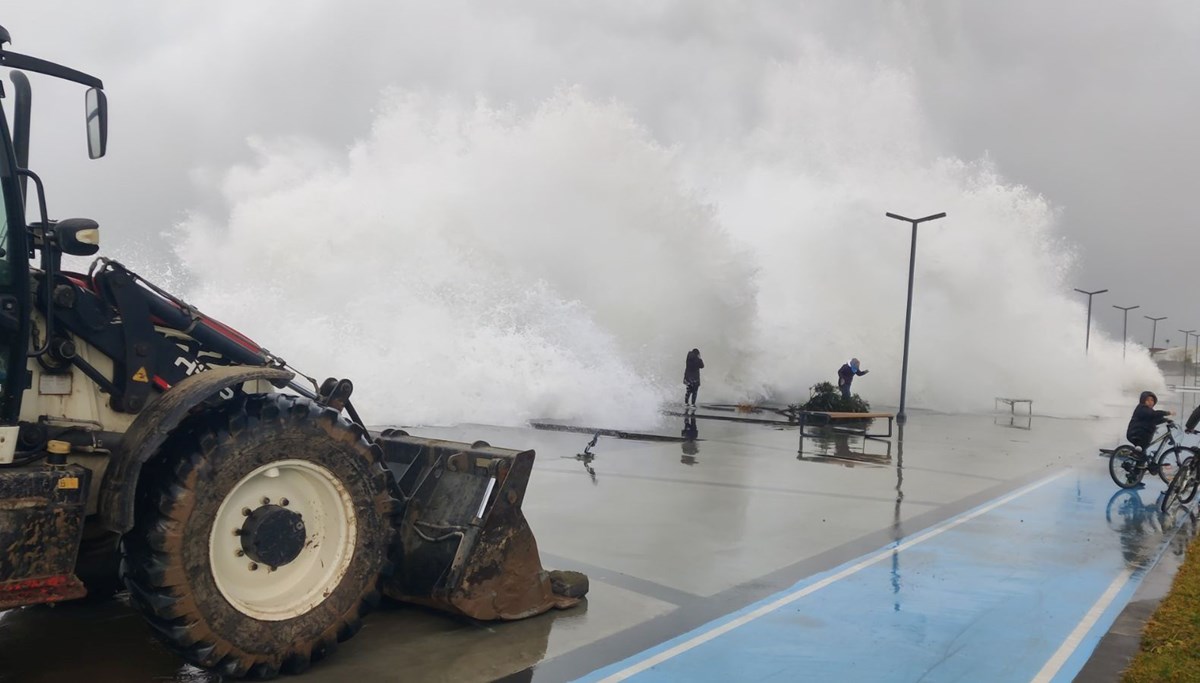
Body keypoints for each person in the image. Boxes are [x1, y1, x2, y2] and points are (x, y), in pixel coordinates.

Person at [1126, 391, 1172, 457]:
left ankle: (1140, 465)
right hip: (1136, 433)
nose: (1150, 402)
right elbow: (1154, 414)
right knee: (1142, 447)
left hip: (1143, 434)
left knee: (1143, 454)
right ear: (1143, 401)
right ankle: (1135, 453)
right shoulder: (1142, 408)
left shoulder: (1150, 411)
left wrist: (1167, 420)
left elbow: (1155, 419)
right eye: (1147, 400)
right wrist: (1167, 413)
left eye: (1152, 400)